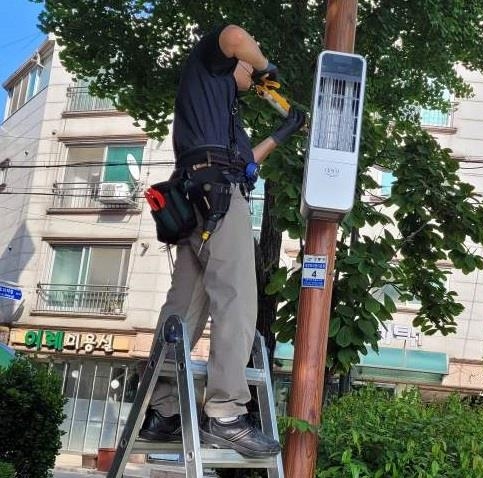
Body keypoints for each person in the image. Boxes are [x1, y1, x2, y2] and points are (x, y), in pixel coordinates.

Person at [138, 24, 305, 458]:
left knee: (185, 308)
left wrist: (282, 133)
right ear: (236, 64)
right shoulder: (212, 67)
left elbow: (246, 161)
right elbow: (233, 34)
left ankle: (162, 410)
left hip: (200, 197)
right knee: (237, 298)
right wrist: (268, 66)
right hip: (216, 196)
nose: (254, 81)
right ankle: (225, 413)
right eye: (249, 71)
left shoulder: (222, 111)